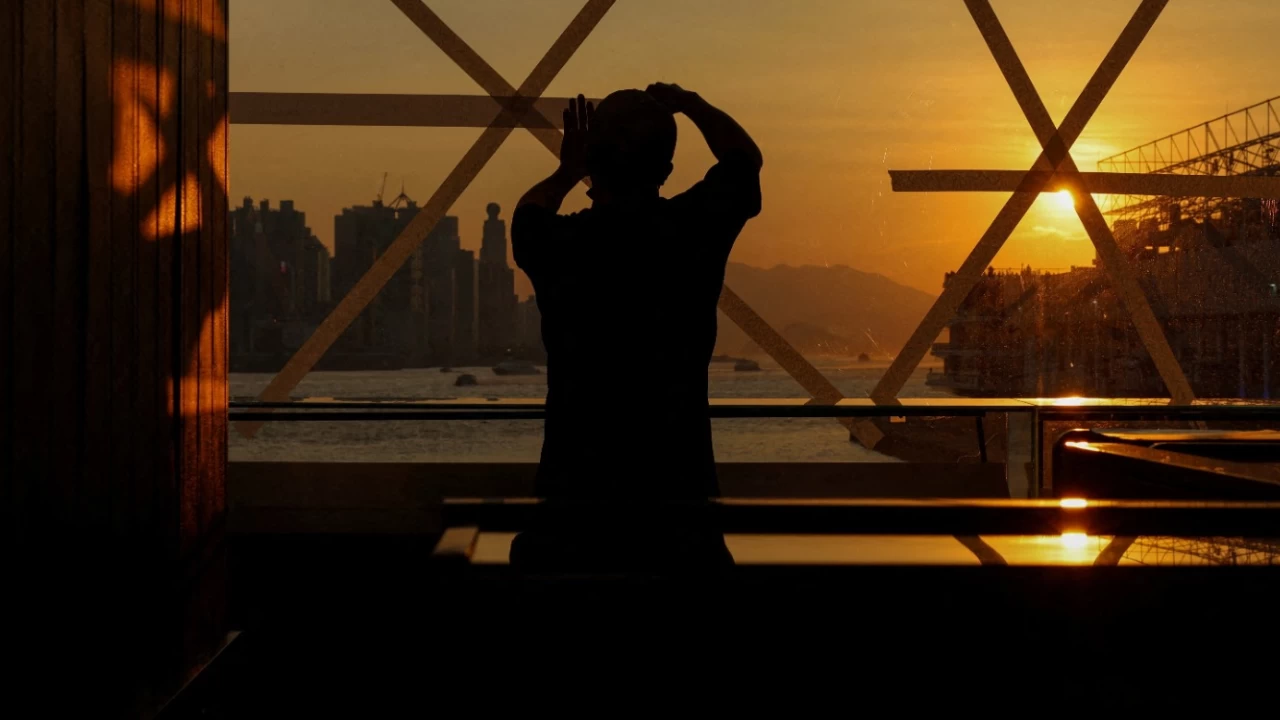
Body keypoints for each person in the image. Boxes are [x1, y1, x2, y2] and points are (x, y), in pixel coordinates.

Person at [509, 83, 763, 573]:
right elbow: (743, 159)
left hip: (572, 521)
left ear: (592, 163)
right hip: (681, 522)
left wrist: (567, 170)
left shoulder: (559, 247)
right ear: (665, 171)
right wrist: (690, 103)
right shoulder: (691, 232)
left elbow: (529, 212)